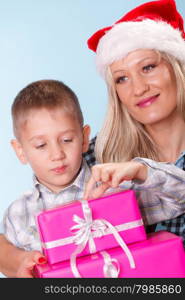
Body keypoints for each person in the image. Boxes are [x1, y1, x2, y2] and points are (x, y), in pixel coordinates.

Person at [2, 78, 185, 278]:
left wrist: (142, 170)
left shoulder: (116, 190)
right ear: (20, 151)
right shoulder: (18, 213)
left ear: (84, 139)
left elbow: (179, 199)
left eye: (66, 140)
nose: (57, 154)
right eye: (41, 145)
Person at [85, 0, 185, 239]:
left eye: (148, 67)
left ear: (177, 67)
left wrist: (145, 172)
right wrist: (14, 256)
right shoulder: (95, 156)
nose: (138, 88)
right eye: (122, 79)